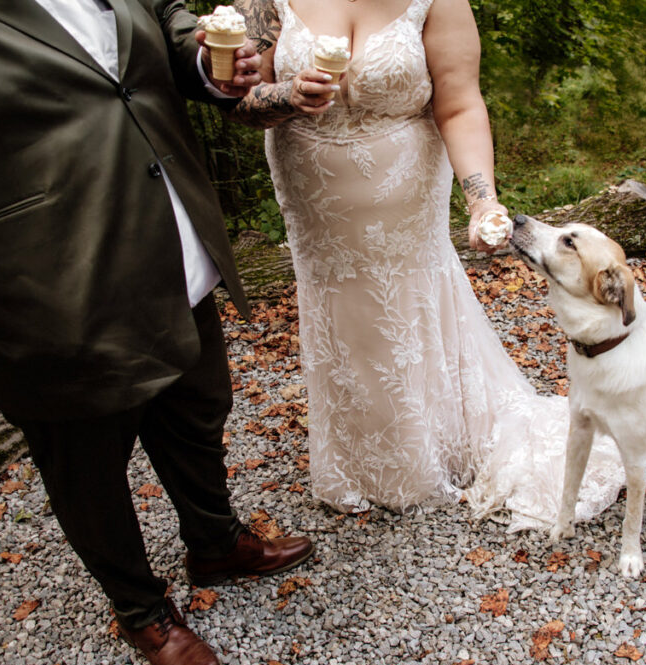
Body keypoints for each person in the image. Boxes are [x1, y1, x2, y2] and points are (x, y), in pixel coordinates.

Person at [0, 2, 312, 665]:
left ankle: (215, 541)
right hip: (43, 282)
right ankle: (140, 607)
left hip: (172, 241)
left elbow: (163, 21)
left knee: (199, 409)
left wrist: (208, 60)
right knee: (88, 464)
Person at [227, 0, 625, 529]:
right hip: (314, 196)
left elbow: (459, 105)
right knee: (340, 313)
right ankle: (357, 456)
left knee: (410, 303)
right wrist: (288, 95)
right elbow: (235, 99)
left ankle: (437, 443)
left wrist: (482, 200)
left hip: (406, 187)